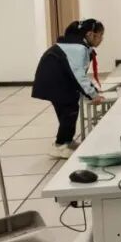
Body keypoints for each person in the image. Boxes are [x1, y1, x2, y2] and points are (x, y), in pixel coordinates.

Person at [32, 19, 106, 159]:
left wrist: (91, 91)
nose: (102, 39)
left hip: (56, 80)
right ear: (90, 34)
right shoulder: (78, 48)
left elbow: (78, 73)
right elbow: (79, 75)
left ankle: (67, 141)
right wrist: (93, 94)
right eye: (100, 35)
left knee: (67, 111)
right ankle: (59, 145)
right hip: (54, 81)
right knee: (69, 111)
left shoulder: (76, 45)